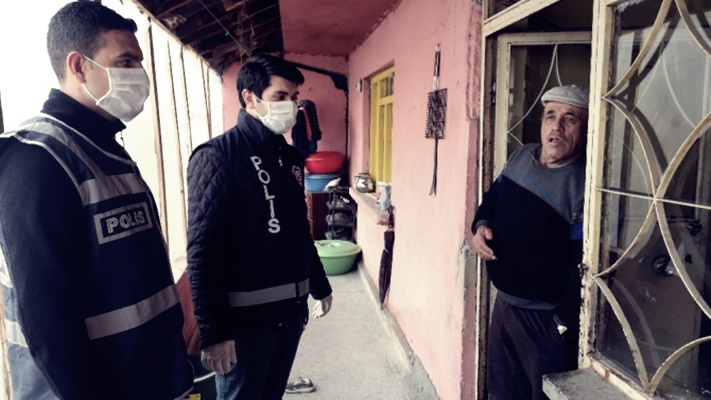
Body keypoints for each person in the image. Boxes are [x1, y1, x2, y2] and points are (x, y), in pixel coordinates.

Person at [0, 2, 194, 398]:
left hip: (143, 379)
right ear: (78, 66)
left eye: (139, 63)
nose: (139, 76)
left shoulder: (104, 148)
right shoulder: (39, 161)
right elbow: (47, 320)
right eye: (125, 62)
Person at [186, 54, 334, 400]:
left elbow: (299, 230)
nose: (291, 106)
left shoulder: (290, 158)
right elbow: (203, 252)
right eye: (280, 96)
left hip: (290, 316)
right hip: (245, 326)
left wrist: (319, 285)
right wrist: (214, 332)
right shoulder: (218, 156)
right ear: (250, 98)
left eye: (294, 97)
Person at [471, 85, 589, 399]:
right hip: (504, 304)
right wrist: (480, 225)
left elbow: (583, 265)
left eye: (570, 119)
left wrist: (562, 326)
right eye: (550, 116)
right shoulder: (522, 155)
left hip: (544, 319)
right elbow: (492, 198)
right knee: (502, 391)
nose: (557, 126)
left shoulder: (582, 186)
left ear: (586, 130)